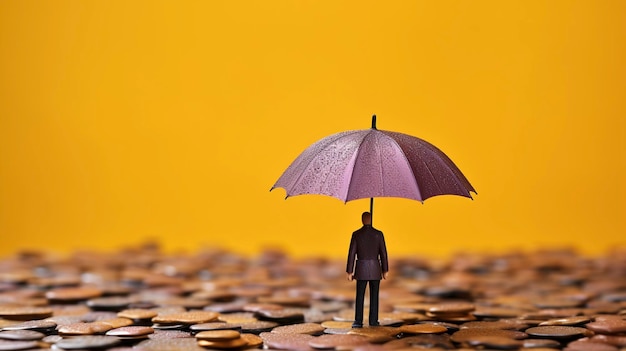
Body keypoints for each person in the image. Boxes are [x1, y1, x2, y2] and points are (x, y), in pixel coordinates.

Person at [346, 211, 389, 328]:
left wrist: (350, 271)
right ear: (371, 219)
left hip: (361, 269)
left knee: (360, 296)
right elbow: (383, 254)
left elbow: (352, 254)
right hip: (375, 268)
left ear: (362, 220)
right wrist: (385, 270)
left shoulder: (357, 234)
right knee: (374, 296)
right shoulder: (378, 234)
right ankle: (373, 320)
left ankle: (358, 321)